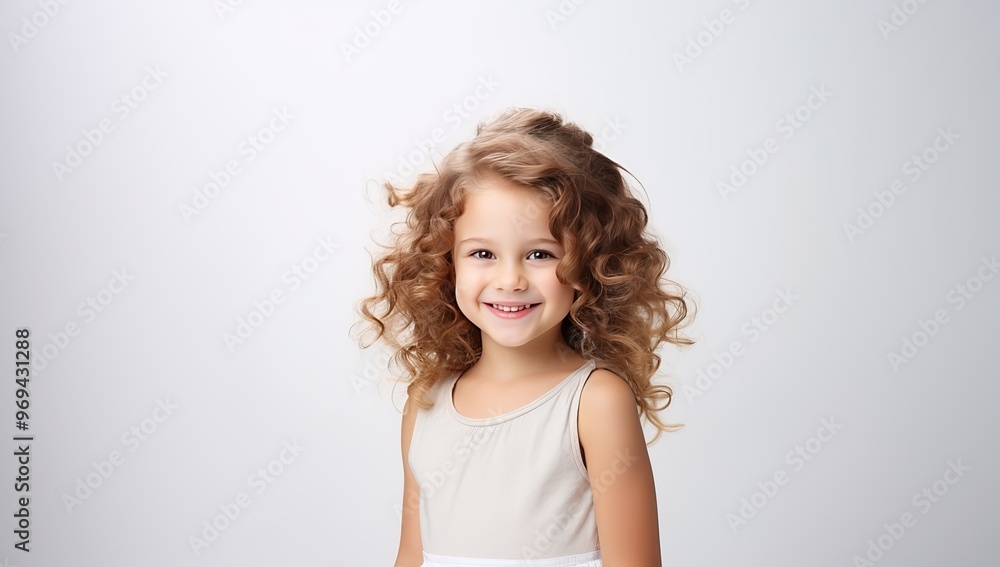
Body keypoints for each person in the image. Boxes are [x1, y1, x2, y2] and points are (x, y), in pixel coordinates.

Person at [354, 107, 694, 567]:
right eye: (482, 253)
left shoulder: (595, 401)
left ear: (587, 263)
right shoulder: (426, 401)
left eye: (539, 253)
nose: (510, 279)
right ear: (446, 262)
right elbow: (411, 556)